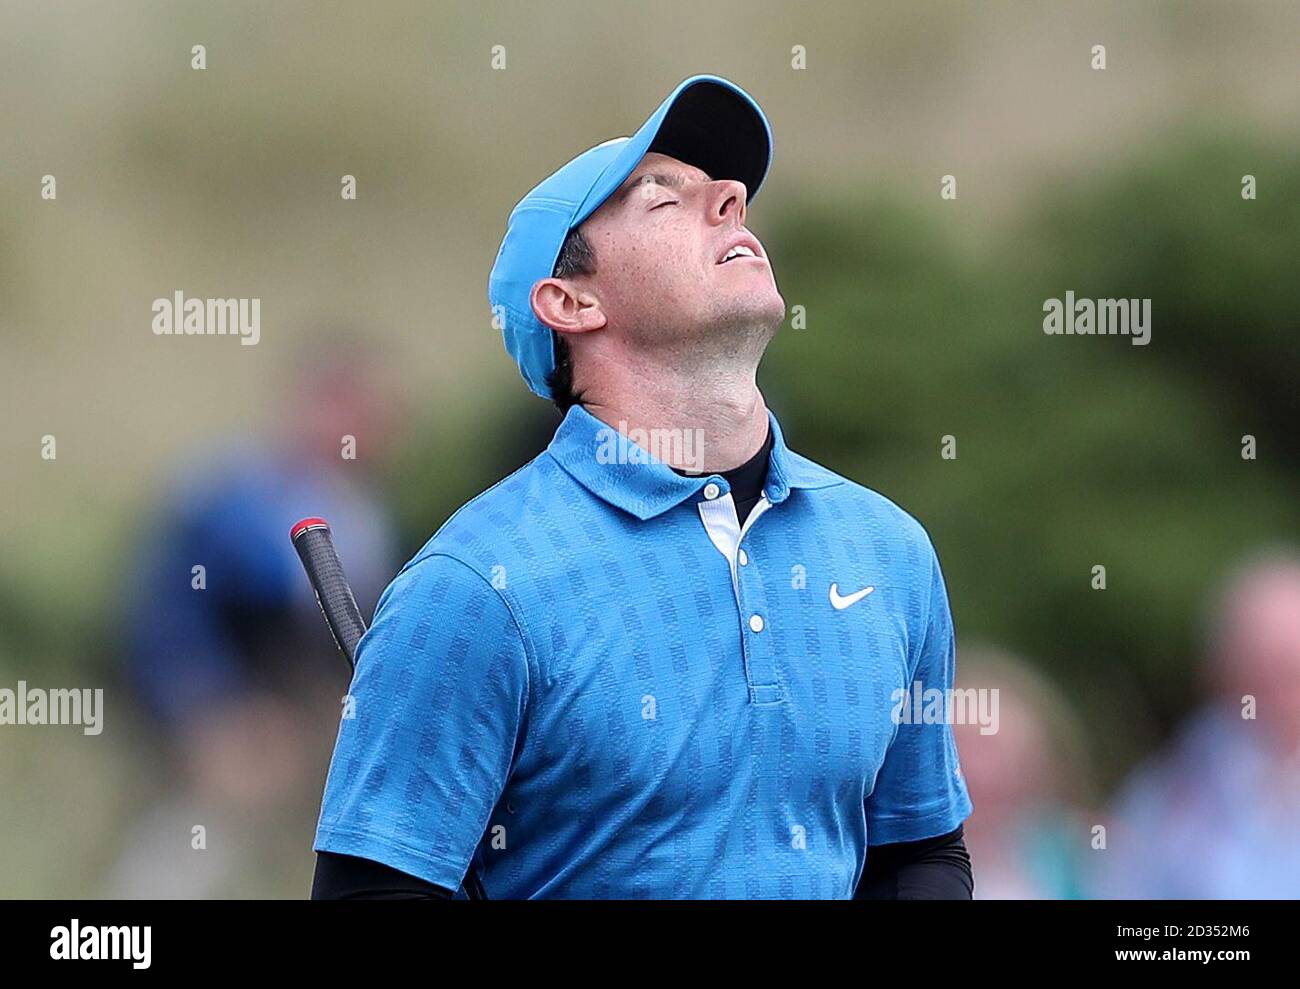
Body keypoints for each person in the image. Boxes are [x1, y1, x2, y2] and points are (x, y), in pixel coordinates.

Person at [312, 75, 972, 899]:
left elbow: (918, 853)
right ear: (571, 301)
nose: (732, 199)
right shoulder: (474, 587)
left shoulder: (891, 550)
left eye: (728, 194)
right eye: (665, 200)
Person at [1099, 551, 1300, 899]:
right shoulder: (1170, 789)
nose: (1278, 688)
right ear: (1221, 669)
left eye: (1290, 664)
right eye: (1260, 663)